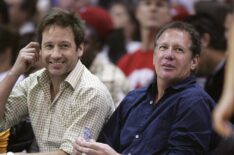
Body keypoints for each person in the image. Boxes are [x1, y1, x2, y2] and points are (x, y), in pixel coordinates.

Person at [72, 21, 218, 155]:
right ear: (154, 57)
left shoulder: (194, 102)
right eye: (163, 47)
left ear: (194, 62)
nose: (168, 55)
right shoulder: (133, 98)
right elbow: (104, 144)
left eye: (178, 50)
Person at [0, 8, 114, 155]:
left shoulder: (91, 92)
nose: (55, 54)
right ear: (39, 50)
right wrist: (15, 72)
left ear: (79, 49)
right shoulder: (34, 81)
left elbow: (69, 153)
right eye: (49, 46)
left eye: (64, 46)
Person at [117, 0, 172, 89]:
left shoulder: (172, 59)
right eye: (147, 3)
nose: (153, 8)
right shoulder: (125, 61)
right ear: (137, 13)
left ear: (169, 15)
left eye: (160, 5)